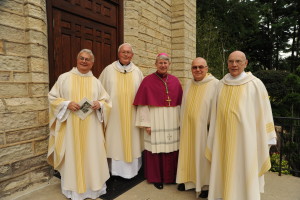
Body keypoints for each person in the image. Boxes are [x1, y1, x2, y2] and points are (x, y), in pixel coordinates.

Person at [205, 51, 277, 200]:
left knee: (244, 169)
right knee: (223, 168)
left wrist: (268, 137)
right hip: (222, 138)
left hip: (246, 141)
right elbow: (214, 112)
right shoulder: (221, 84)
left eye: (238, 61)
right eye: (231, 61)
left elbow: (264, 112)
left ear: (246, 63)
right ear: (227, 63)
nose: (234, 65)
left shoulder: (255, 84)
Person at [47, 49, 111, 200]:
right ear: (77, 60)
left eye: (87, 59)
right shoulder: (64, 78)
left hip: (92, 128)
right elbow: (52, 98)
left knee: (92, 155)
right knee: (72, 155)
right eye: (81, 58)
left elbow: (106, 101)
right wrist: (66, 104)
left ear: (92, 63)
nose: (84, 61)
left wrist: (99, 104)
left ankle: (93, 188)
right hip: (70, 127)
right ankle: (73, 191)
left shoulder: (96, 82)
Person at [133, 53, 183, 189]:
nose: (163, 65)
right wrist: (146, 124)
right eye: (160, 63)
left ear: (169, 65)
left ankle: (170, 177)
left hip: (172, 120)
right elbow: (143, 104)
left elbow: (179, 104)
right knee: (156, 149)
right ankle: (157, 178)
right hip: (155, 119)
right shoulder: (147, 81)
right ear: (156, 64)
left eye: (165, 63)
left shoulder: (175, 80)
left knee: (171, 149)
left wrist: (180, 122)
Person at [99, 43, 144, 179]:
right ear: (118, 54)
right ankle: (116, 171)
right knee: (115, 141)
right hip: (114, 115)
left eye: (128, 52)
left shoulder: (137, 72)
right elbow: (99, 91)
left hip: (133, 114)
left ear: (132, 55)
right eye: (123, 52)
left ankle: (132, 171)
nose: (126, 54)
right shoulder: (108, 70)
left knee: (132, 140)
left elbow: (142, 94)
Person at [176, 57, 218, 198]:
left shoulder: (215, 85)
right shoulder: (189, 84)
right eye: (195, 67)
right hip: (188, 128)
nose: (198, 70)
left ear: (207, 68)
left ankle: (205, 185)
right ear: (191, 70)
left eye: (201, 67)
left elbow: (217, 110)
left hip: (204, 131)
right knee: (188, 154)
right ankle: (188, 181)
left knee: (203, 157)